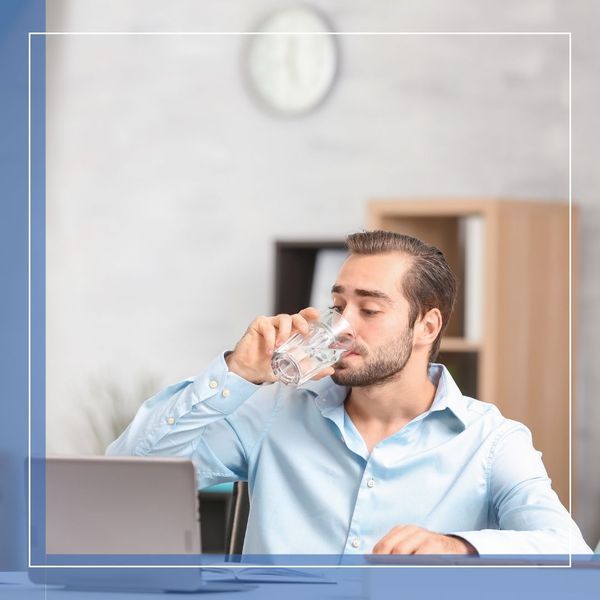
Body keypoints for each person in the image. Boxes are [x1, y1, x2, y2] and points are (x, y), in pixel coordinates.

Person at [107, 230, 592, 556]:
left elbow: (565, 549)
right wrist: (236, 373)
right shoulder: (274, 412)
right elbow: (128, 478)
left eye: (370, 309)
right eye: (339, 305)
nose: (343, 327)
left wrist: (458, 547)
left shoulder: (491, 441)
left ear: (427, 325)